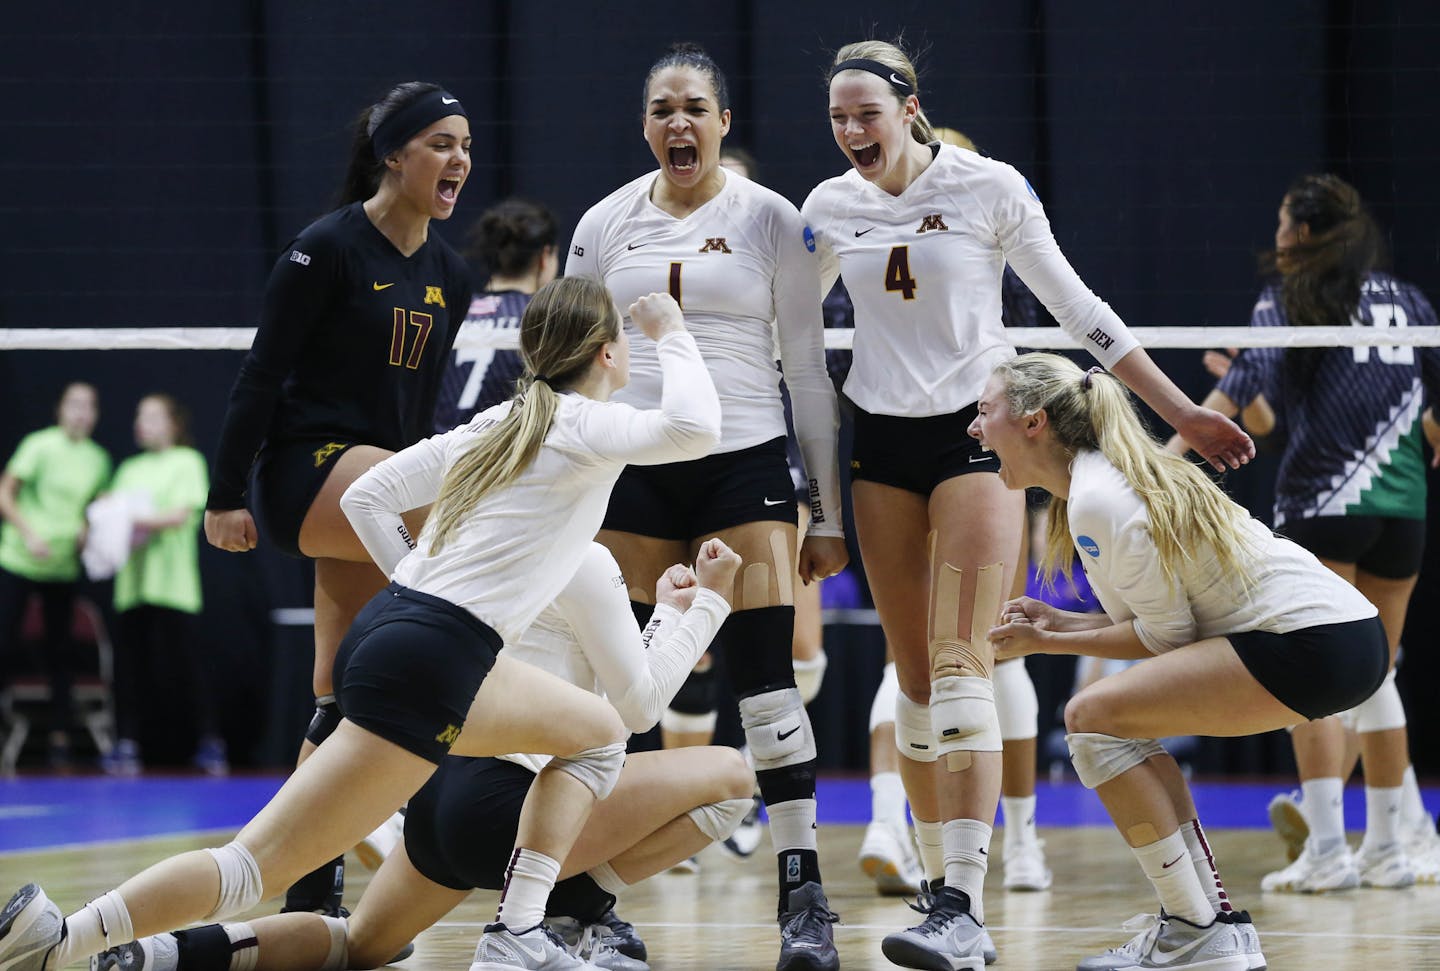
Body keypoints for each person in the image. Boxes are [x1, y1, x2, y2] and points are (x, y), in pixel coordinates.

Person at [0, 279, 722, 971]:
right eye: (625, 339)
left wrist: (413, 582)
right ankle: (516, 932)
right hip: (436, 652)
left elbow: (369, 497)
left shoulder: (494, 423)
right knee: (602, 733)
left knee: (249, 864)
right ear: (606, 352)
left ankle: (55, 938)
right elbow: (696, 424)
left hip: (386, 629)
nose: (633, 347)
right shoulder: (583, 423)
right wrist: (673, 330)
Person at [801, 39, 1252, 970]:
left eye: (866, 116)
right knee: (917, 682)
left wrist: (1185, 414)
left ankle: (967, 904)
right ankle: (939, 893)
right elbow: (789, 342)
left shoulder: (987, 186)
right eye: (838, 118)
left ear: (909, 106)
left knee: (969, 663)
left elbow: (1081, 310)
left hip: (974, 440)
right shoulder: (827, 207)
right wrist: (811, 494)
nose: (851, 133)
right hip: (877, 447)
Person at [91, 542, 751, 971]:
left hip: (439, 792)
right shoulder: (584, 554)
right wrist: (714, 601)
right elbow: (638, 710)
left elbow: (618, 681)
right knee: (732, 779)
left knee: (357, 945)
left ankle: (160, 954)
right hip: (512, 807)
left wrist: (669, 611)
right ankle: (562, 904)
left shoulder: (468, 537)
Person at [566, 43, 848, 970]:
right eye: (661, 110)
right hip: (637, 463)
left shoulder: (774, 220)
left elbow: (807, 371)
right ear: (645, 126)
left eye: (695, 107)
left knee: (764, 678)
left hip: (745, 462)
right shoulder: (604, 224)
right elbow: (567, 367)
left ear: (724, 122)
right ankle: (593, 897)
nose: (677, 122)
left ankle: (803, 896)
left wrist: (828, 507)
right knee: (623, 685)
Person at [976, 352, 1390, 970]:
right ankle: (1209, 924)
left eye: (985, 412)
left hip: (1313, 640)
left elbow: (1166, 640)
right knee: (1113, 723)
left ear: (1034, 423)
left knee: (1090, 716)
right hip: (1342, 636)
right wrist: (1063, 623)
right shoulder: (1093, 486)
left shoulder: (1097, 498)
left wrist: (1052, 642)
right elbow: (1159, 627)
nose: (973, 428)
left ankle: (1196, 927)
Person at [202, 81, 475, 914]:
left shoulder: (449, 274)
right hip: (305, 474)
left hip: (379, 482)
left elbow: (418, 413)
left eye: (464, 144)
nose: (458, 158)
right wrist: (224, 495)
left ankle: (308, 885)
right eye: (439, 142)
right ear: (393, 154)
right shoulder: (325, 247)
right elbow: (261, 376)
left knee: (336, 691)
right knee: (468, 517)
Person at [1174, 174, 1440, 889]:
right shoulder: (1409, 299)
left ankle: (1326, 847)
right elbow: (1267, 417)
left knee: (1323, 677)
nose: (1278, 234)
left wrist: (1159, 467)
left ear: (1302, 233)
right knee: (1376, 669)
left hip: (1325, 502)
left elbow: (1233, 401)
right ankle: (1390, 846)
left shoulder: (1286, 297)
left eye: (1284, 222)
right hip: (1404, 507)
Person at [104, 394, 221, 776]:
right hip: (132, 586)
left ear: (173, 423)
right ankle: (127, 744)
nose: (144, 423)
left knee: (186, 668)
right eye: (140, 416)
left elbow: (182, 513)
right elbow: (110, 516)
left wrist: (135, 521)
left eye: (153, 416)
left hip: (173, 586)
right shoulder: (128, 468)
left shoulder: (188, 461)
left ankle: (208, 743)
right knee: (130, 671)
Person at [0, 382, 111, 768]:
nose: (81, 412)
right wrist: (29, 534)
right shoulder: (39, 445)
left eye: (89, 406)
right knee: (4, 643)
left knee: (61, 655)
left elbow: (94, 510)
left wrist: (87, 529)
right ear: (60, 409)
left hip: (63, 568)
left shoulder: (98, 460)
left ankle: (60, 739)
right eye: (74, 404)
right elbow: (5, 492)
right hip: (18, 559)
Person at [433, 198, 560, 433]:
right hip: (500, 457)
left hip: (435, 454)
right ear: (545, 256)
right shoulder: (547, 318)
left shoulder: (450, 312)